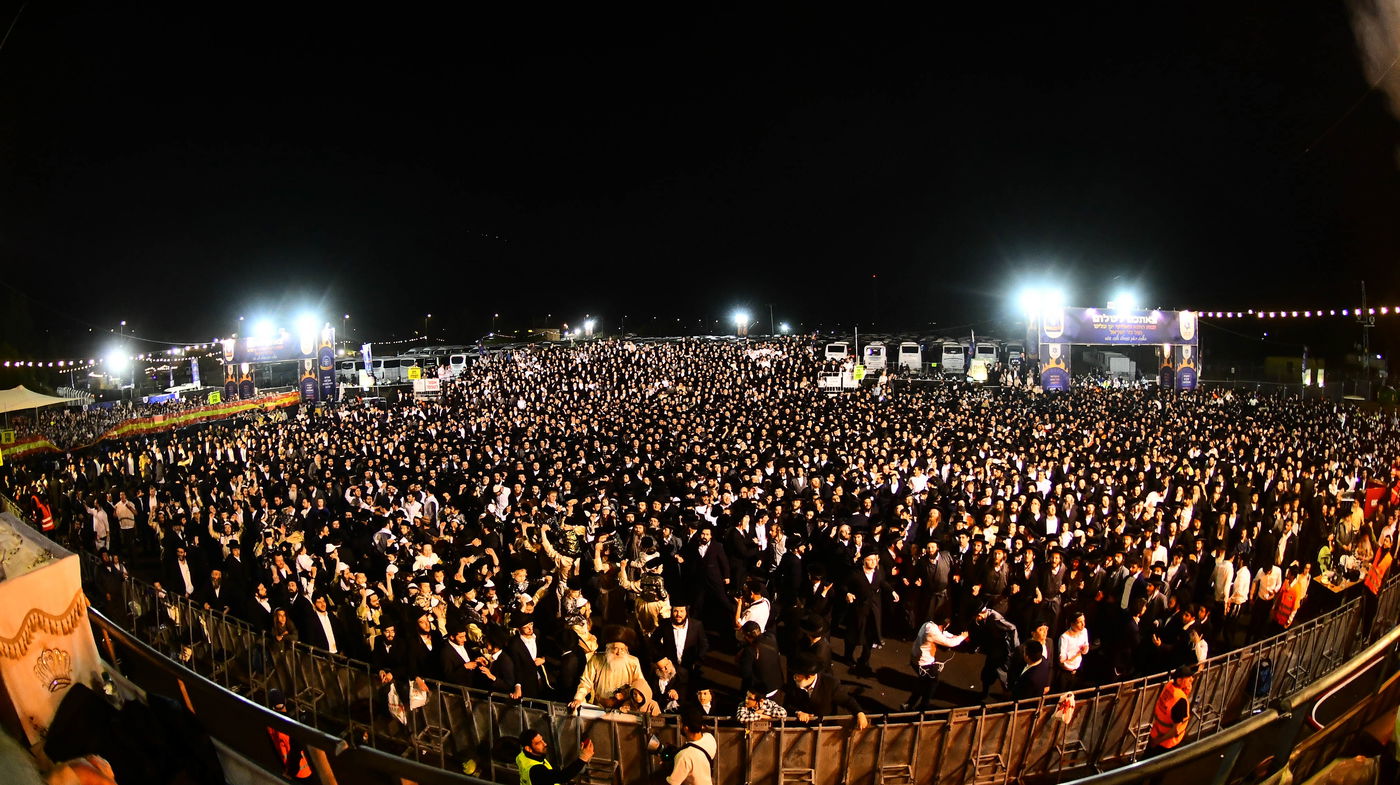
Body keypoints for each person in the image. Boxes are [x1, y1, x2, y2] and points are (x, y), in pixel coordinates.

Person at [782, 655, 869, 730]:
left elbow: (847, 701)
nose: (795, 678)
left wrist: (859, 713)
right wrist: (798, 712)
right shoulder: (794, 683)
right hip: (800, 730)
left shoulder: (830, 684)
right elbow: (787, 704)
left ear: (809, 676)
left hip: (824, 729)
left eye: (798, 676)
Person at [902, 619, 967, 711]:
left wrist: (954, 636)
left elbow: (942, 634)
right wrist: (963, 636)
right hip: (923, 664)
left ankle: (909, 705)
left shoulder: (927, 624)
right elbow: (950, 643)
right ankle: (923, 708)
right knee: (932, 684)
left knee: (923, 683)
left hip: (916, 660)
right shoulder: (933, 632)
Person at [1144, 667, 1194, 758]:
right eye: (1188, 678)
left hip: (1155, 733)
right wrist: (1158, 741)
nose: (1192, 679)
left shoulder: (1169, 685)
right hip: (1167, 743)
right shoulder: (1180, 701)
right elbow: (1175, 730)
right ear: (1179, 680)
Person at [516, 729, 594, 785]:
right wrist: (583, 758)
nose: (544, 744)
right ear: (528, 748)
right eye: (538, 743)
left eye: (542, 740)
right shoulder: (536, 770)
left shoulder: (522, 756)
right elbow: (562, 777)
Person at [665, 707, 716, 785]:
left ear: (686, 728)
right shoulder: (710, 738)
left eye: (681, 723)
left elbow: (673, 783)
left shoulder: (684, 756)